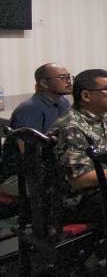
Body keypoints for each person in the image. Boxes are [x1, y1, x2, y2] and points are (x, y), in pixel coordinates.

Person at [50, 69, 107, 223]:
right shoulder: (71, 127)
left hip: (103, 185)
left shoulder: (104, 115)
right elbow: (81, 180)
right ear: (86, 96)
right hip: (77, 200)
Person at [0, 63, 72, 192]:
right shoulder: (29, 109)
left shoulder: (63, 102)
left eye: (69, 77)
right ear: (44, 83)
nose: (69, 81)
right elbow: (29, 154)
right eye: (63, 78)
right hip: (22, 176)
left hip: (53, 166)